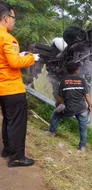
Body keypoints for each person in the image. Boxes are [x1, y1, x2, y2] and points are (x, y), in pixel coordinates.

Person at [0, 1, 39, 167]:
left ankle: (8, 149)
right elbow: (15, 63)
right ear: (6, 17)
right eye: (13, 18)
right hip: (12, 88)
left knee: (8, 120)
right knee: (16, 122)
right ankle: (16, 157)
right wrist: (31, 58)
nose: (14, 21)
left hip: (2, 88)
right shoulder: (8, 38)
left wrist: (20, 55)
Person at [46, 62, 92, 151]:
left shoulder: (64, 81)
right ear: (76, 71)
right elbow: (86, 95)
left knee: (56, 115)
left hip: (69, 108)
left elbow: (60, 97)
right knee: (83, 128)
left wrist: (57, 105)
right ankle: (82, 146)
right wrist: (90, 106)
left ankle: (51, 132)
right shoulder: (82, 81)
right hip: (81, 108)